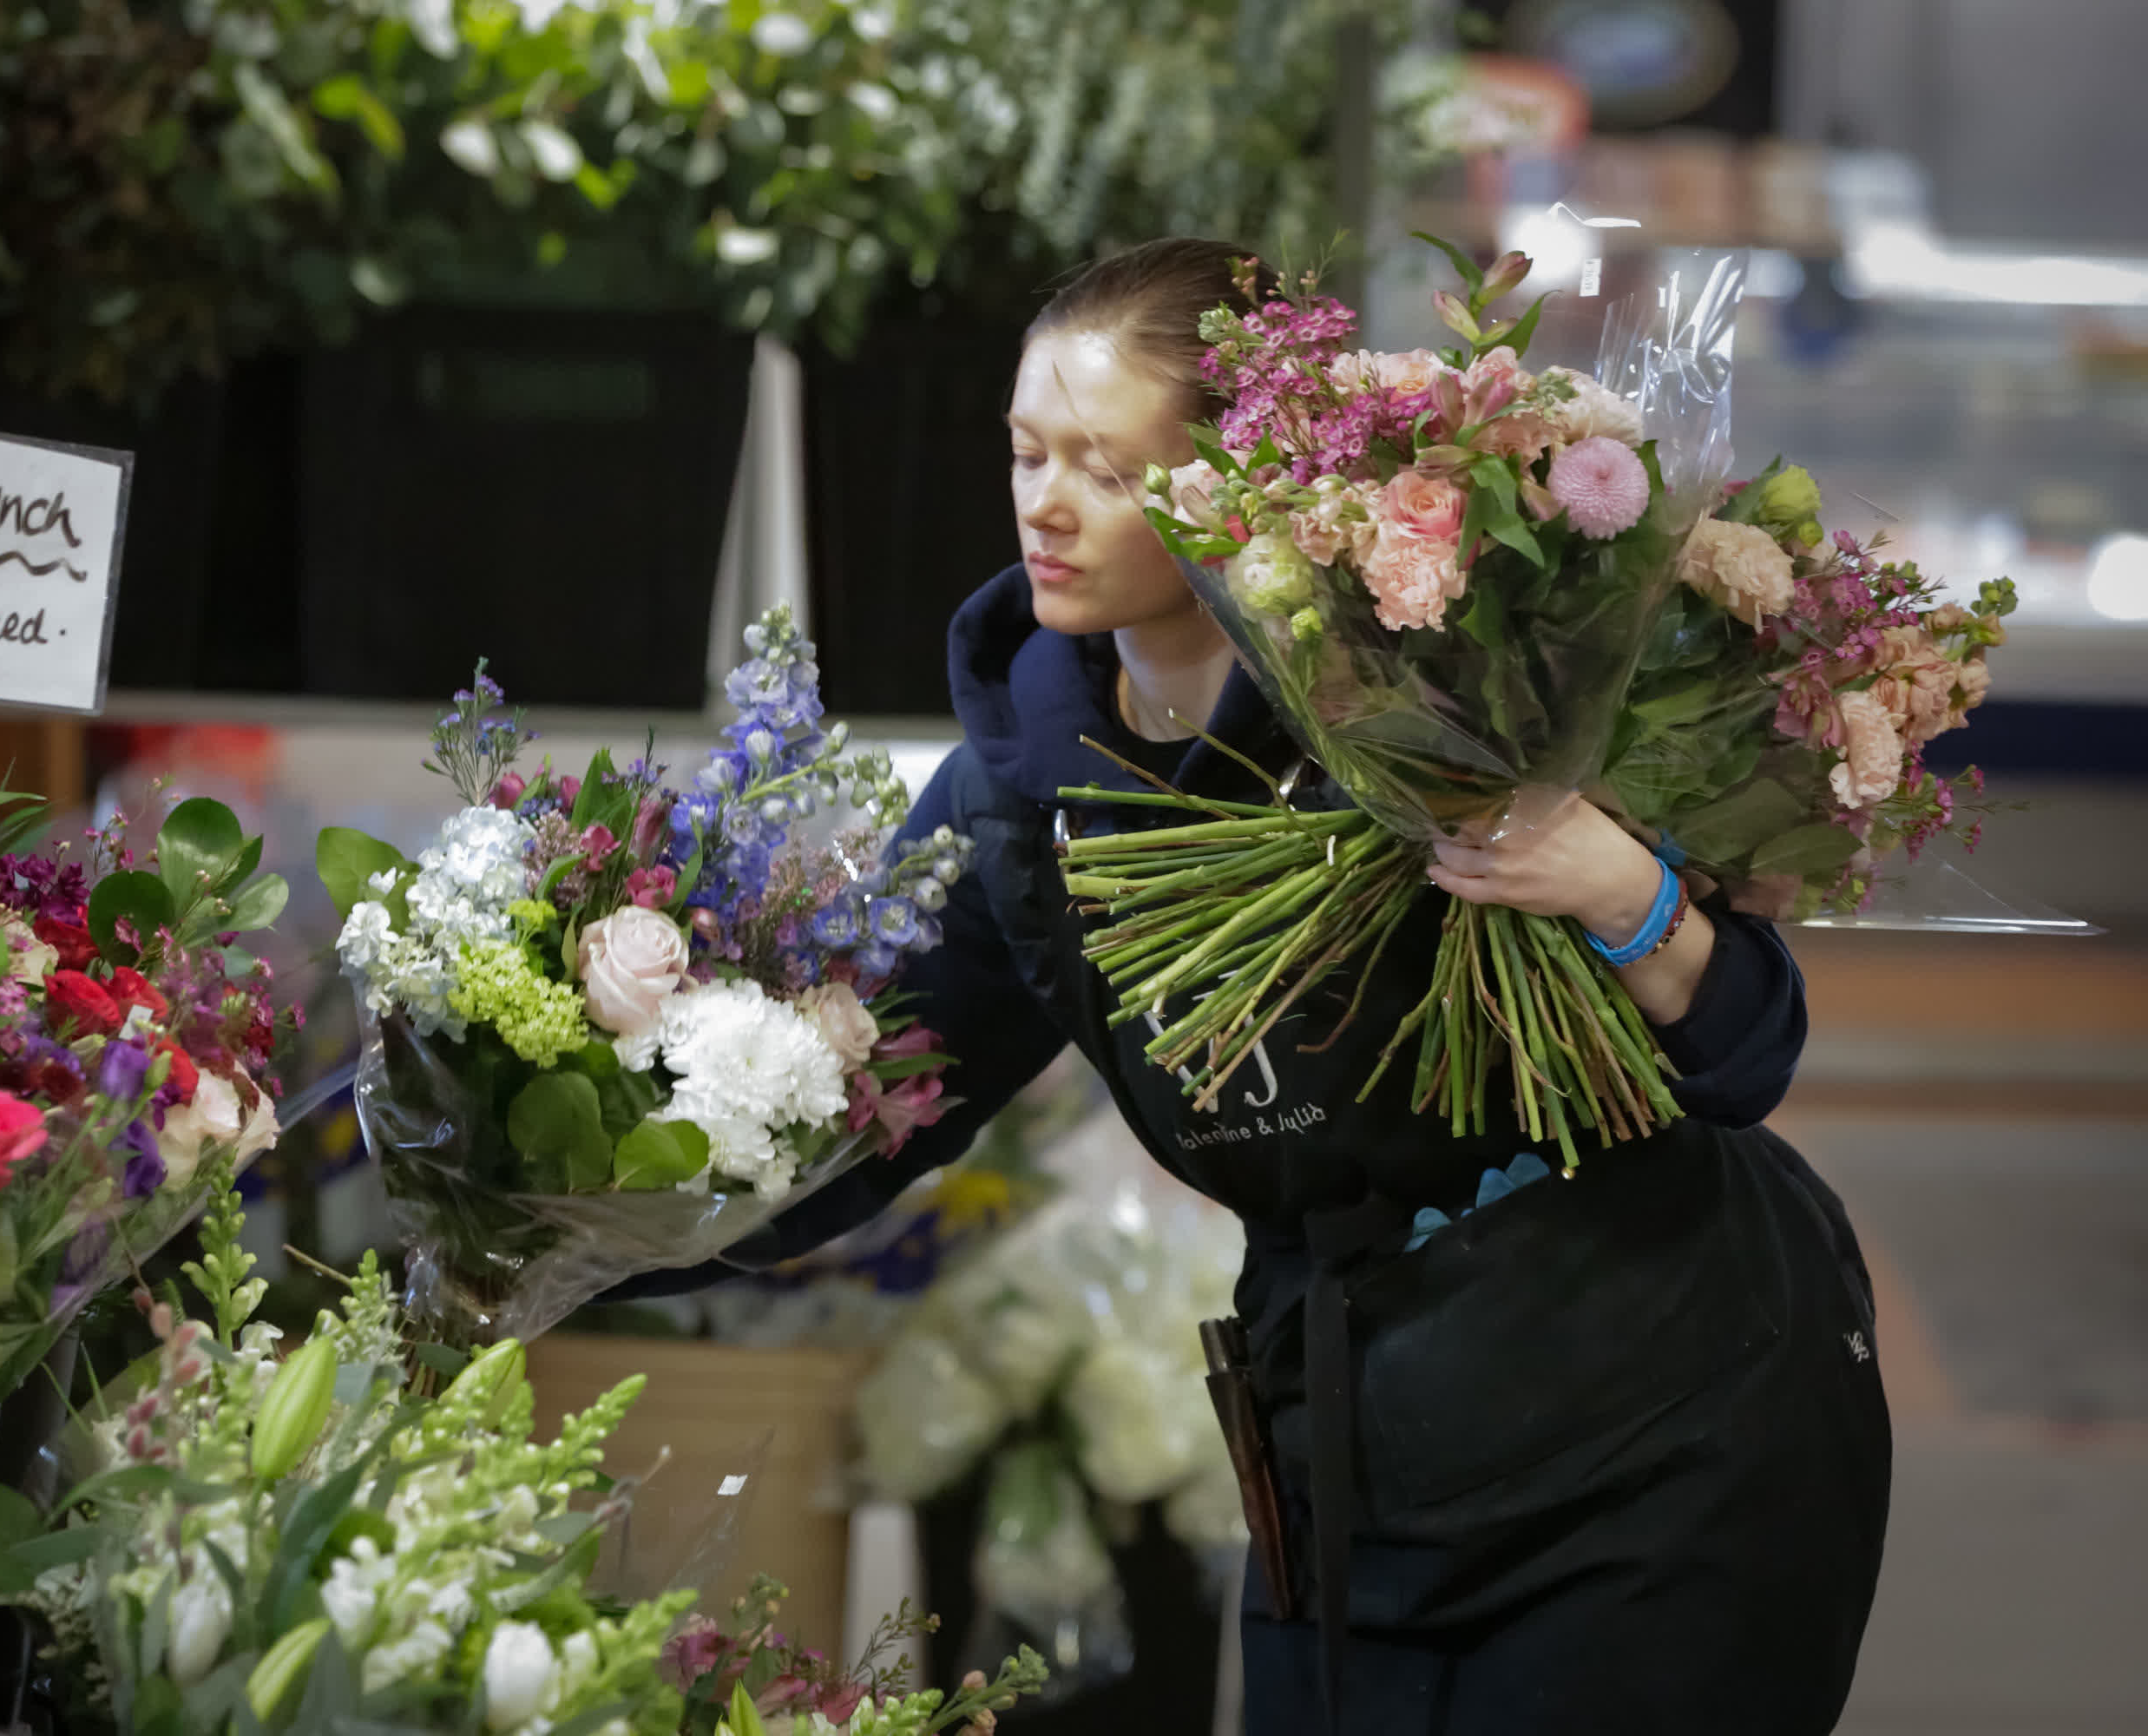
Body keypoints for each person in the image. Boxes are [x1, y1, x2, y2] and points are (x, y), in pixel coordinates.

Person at [622, 239, 1891, 1734]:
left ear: (1238, 483)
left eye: (1100, 464)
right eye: (1026, 453)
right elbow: (867, 1112)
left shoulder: (1446, 694)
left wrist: (1626, 891)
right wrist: (572, 1222)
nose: (1043, 501)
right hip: (1348, 1461)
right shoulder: (1017, 801)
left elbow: (1746, 1055)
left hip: (1668, 1423)